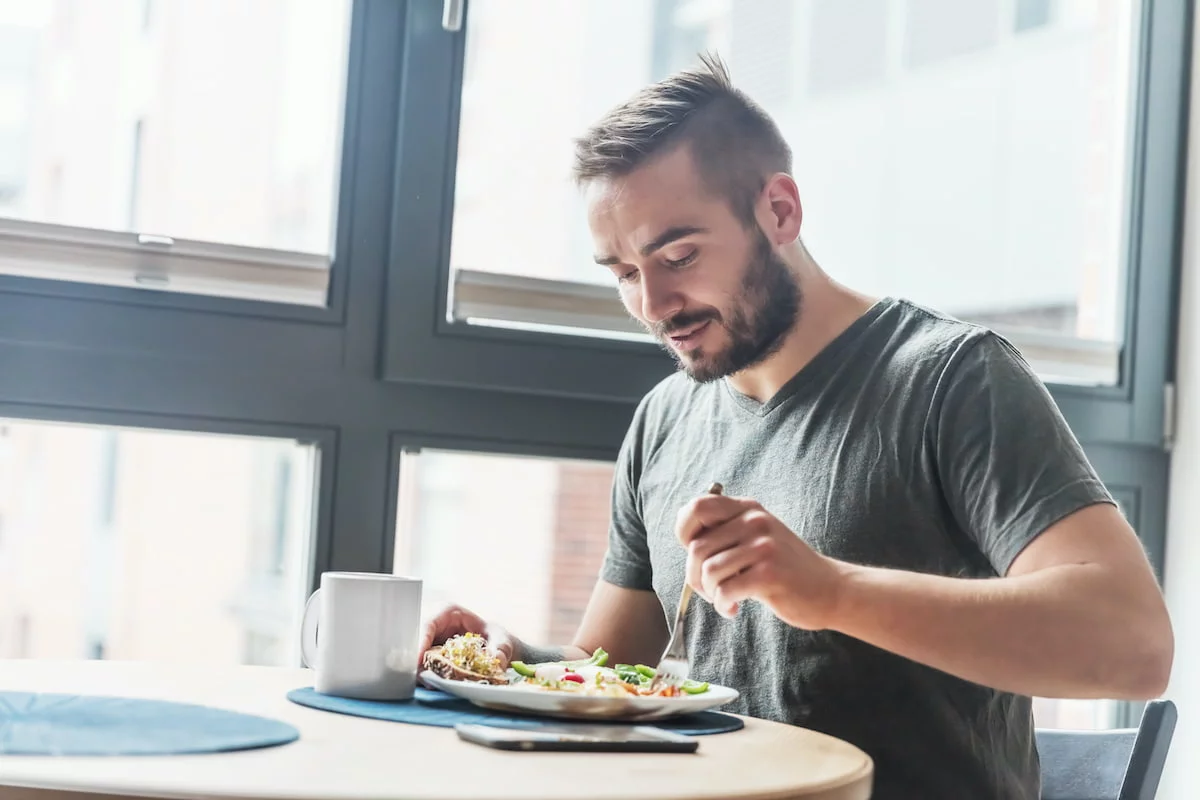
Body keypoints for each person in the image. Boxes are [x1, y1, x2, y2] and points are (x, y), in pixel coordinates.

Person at [418, 54, 1174, 798]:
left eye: (677, 255)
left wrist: (832, 592)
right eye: (622, 273)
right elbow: (609, 670)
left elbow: (1133, 646)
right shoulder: (665, 419)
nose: (652, 305)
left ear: (779, 211)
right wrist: (512, 662)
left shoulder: (953, 378)